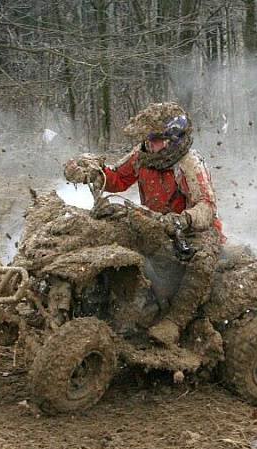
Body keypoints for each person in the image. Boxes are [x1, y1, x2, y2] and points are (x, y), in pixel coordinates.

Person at [63, 102, 224, 347]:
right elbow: (117, 179)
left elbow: (207, 205)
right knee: (109, 232)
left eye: (156, 139)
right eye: (148, 138)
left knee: (201, 263)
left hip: (193, 230)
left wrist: (183, 219)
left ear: (173, 140)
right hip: (154, 223)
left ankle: (174, 322)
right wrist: (93, 174)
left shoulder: (190, 164)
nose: (150, 144)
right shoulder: (142, 156)